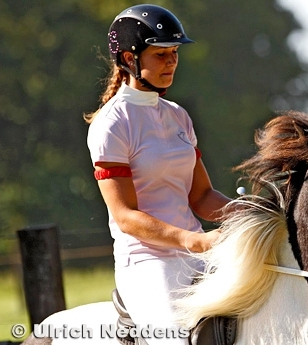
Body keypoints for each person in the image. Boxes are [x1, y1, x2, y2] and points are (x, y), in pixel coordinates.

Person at [84, 4, 230, 343]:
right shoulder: (112, 124)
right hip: (147, 263)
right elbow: (125, 216)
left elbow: (202, 197)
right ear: (130, 58)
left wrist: (249, 212)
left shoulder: (179, 116)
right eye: (160, 54)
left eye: (175, 53)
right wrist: (191, 239)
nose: (171, 62)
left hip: (198, 254)